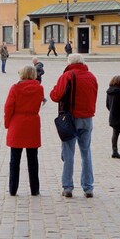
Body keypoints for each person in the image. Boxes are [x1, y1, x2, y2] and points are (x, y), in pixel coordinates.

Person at [49, 53, 98, 198]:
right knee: (86, 152)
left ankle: (68, 186)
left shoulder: (68, 75)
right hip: (87, 118)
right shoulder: (91, 76)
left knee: (69, 153)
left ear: (70, 62)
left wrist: (54, 89)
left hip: (71, 118)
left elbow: (55, 96)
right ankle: (88, 187)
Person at [4, 65, 45, 196]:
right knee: (33, 159)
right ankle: (35, 189)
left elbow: (8, 107)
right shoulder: (39, 88)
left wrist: (7, 124)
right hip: (32, 123)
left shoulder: (15, 88)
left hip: (17, 123)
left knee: (14, 160)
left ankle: (13, 188)